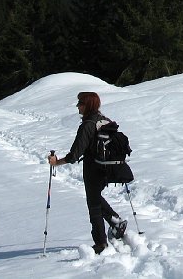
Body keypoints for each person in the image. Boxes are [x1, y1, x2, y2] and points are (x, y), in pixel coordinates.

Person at [48, 91, 128, 253]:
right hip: (109, 167)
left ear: (88, 105)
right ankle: (115, 221)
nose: (78, 106)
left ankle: (100, 243)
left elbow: (74, 154)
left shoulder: (88, 125)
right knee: (95, 198)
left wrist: (56, 162)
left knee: (93, 204)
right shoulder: (104, 120)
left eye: (80, 103)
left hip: (93, 168)